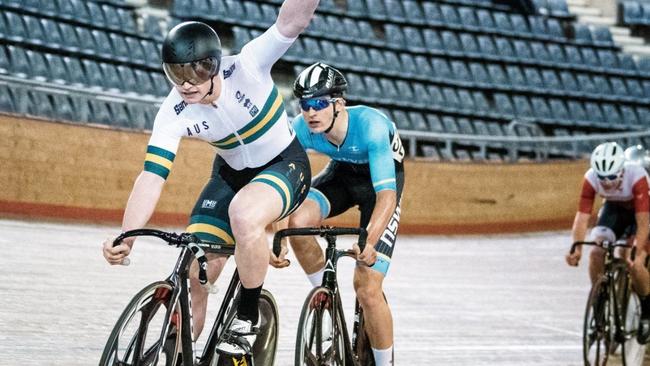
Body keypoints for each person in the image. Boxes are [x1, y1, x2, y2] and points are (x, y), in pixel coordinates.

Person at [102, 0, 320, 356]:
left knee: (244, 213)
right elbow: (152, 176)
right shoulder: (172, 112)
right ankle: (178, 352)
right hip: (230, 174)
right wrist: (127, 236)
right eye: (175, 74)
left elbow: (292, 20)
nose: (185, 84)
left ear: (213, 66)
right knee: (195, 271)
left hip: (285, 164)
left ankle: (246, 317)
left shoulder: (249, 65)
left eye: (195, 73)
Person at [271, 62, 405, 366]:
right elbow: (286, 183)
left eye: (319, 103)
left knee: (368, 289)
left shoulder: (371, 125)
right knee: (298, 221)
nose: (311, 112)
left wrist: (368, 242)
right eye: (305, 105)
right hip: (341, 177)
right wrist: (279, 234)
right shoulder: (302, 128)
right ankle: (327, 296)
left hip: (380, 185)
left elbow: (386, 195)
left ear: (339, 104)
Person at [566, 141, 650, 343]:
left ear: (621, 171)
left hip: (642, 213)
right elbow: (582, 216)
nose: (606, 182)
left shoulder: (637, 176)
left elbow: (643, 222)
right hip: (614, 210)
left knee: (635, 262)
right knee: (596, 251)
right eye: (602, 177)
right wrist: (576, 246)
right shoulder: (590, 178)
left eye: (611, 176)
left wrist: (637, 247)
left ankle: (647, 310)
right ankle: (599, 304)